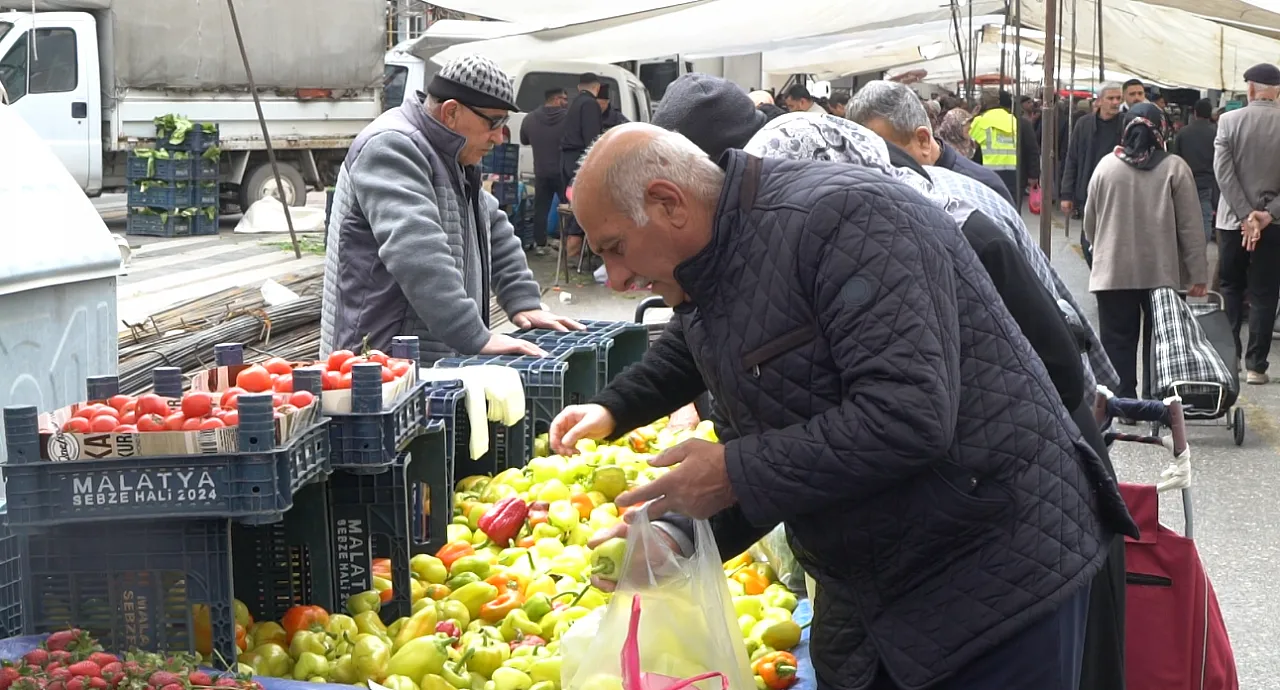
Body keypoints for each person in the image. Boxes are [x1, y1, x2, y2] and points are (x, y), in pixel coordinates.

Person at [557, 121, 1132, 690]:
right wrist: (678, 535)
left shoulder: (848, 221)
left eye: (615, 248)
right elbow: (785, 441)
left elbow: (906, 415)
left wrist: (732, 473)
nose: (615, 277)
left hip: (994, 581)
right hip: (877, 585)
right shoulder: (713, 275)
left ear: (668, 203)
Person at [320, 54, 580, 363]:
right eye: (494, 122)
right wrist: (473, 334)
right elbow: (415, 251)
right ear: (452, 111)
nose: (499, 137)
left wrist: (523, 301)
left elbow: (492, 226)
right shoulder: (391, 146)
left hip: (432, 357)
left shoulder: (452, 154)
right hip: (379, 361)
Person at [1085, 102, 1209, 400]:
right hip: (1162, 273)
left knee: (1116, 341)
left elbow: (1090, 223)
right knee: (1161, 340)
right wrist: (1198, 274)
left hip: (1113, 273)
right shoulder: (1175, 168)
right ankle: (1156, 400)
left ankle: (1123, 402)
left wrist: (1102, 251)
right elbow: (1191, 228)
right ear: (1161, 130)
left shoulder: (1106, 166)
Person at [1214, 63, 1280, 385]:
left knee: (1230, 287)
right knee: (1265, 293)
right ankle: (1256, 366)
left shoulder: (1228, 121)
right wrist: (1266, 215)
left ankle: (1231, 360)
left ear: (1250, 90)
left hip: (1231, 223)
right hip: (1274, 225)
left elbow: (1222, 173)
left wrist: (1244, 216)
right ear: (1277, 91)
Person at [850, 80, 1014, 204]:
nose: (874, 166)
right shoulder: (867, 190)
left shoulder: (983, 188)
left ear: (922, 140)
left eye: (886, 155)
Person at [1062, 83, 1125, 265]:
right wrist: (1067, 194)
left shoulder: (1126, 123)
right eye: (1110, 98)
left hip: (1116, 195)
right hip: (1089, 192)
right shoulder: (1084, 125)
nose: (1115, 103)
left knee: (1112, 244)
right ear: (1099, 101)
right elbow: (1072, 158)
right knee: (1087, 242)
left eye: (1118, 99)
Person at [559, 73, 605, 261]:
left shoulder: (575, 104)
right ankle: (573, 253)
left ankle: (569, 252)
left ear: (579, 87)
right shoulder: (590, 104)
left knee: (570, 205)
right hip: (579, 161)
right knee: (580, 206)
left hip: (565, 159)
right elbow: (592, 138)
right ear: (597, 87)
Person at [970, 90, 1039, 209]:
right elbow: (1032, 149)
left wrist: (972, 116)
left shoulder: (980, 121)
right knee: (1012, 210)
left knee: (990, 211)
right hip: (1016, 175)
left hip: (986, 174)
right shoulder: (1018, 122)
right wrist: (1033, 174)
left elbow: (970, 148)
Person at [519, 87, 568, 255]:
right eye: (563, 99)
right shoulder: (567, 118)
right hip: (562, 171)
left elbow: (523, 140)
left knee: (541, 208)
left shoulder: (530, 118)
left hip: (540, 170)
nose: (565, 102)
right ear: (555, 99)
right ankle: (566, 242)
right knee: (567, 207)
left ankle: (539, 243)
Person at [1169, 97, 1219, 243]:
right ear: (1210, 114)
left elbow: (1175, 158)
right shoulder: (1216, 132)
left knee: (1184, 219)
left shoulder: (1183, 133)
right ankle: (1200, 253)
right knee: (1205, 218)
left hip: (1185, 182)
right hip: (1208, 183)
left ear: (1195, 113)